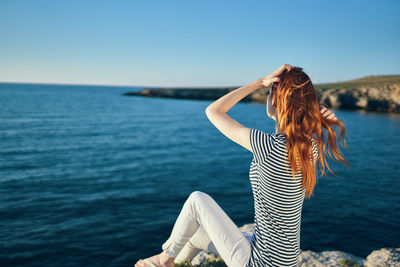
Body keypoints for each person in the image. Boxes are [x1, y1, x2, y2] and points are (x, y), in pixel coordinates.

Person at [135, 64, 349, 267]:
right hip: (285, 260)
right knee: (195, 236)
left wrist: (259, 82)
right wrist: (319, 115)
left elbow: (213, 111)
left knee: (196, 200)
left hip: (260, 262)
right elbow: (304, 125)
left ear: (275, 99)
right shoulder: (308, 147)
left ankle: (163, 260)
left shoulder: (268, 145)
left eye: (270, 93)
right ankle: (174, 262)